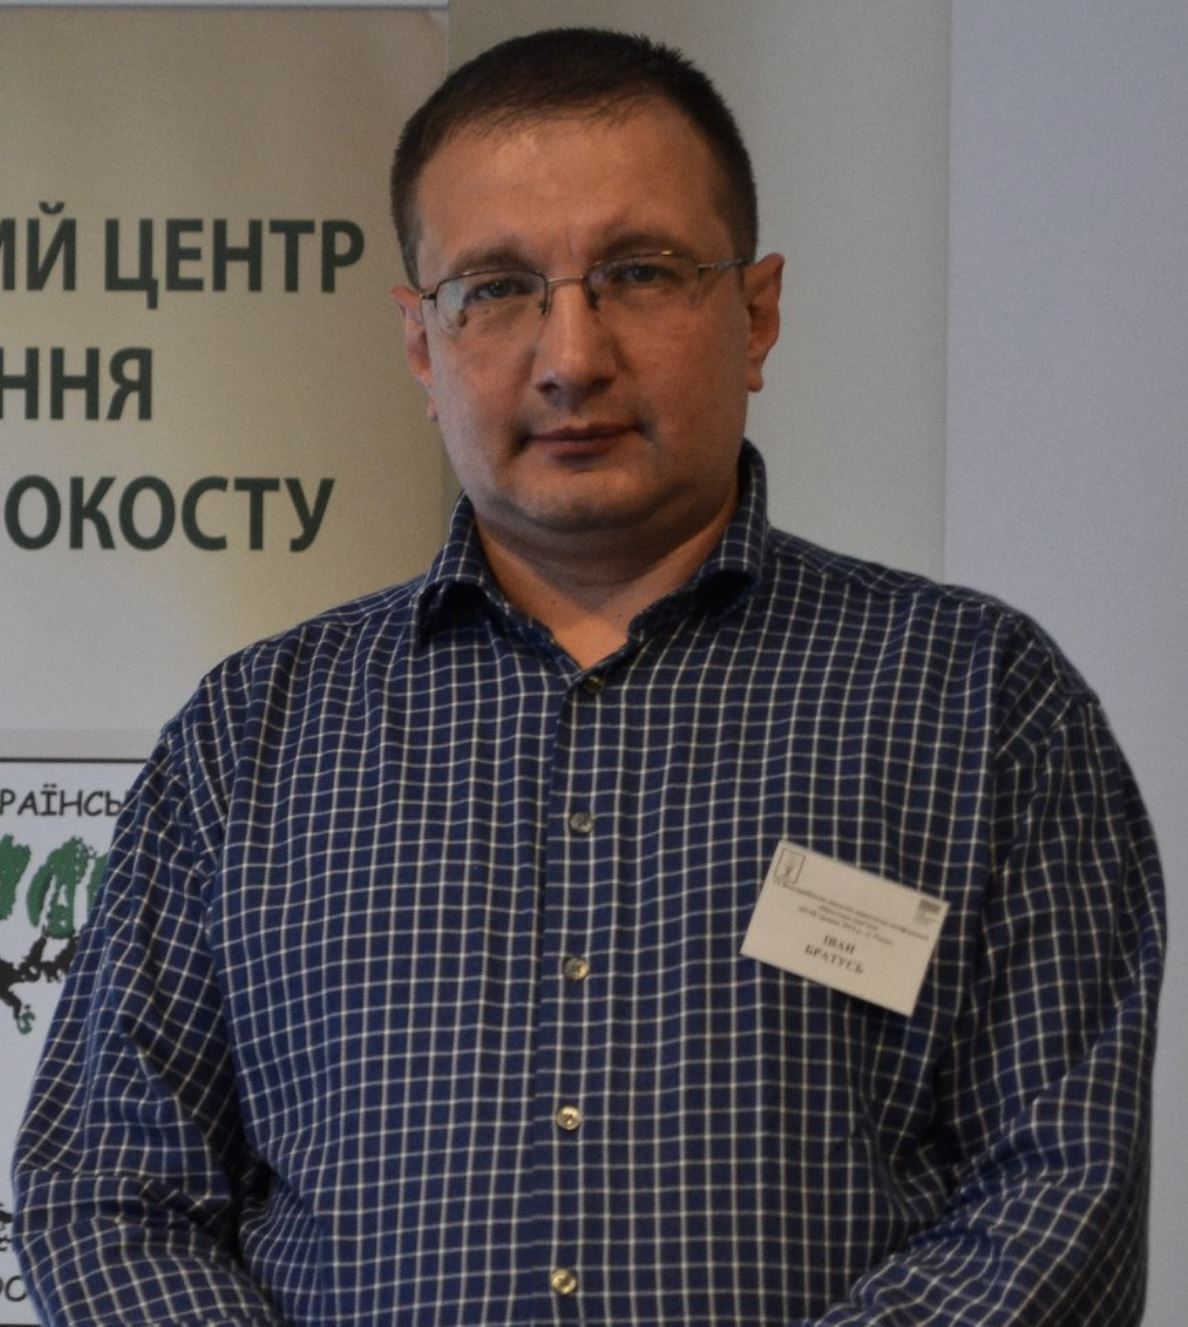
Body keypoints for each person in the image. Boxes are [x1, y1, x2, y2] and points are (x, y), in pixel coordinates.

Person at [12, 27, 1165, 1327]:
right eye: (498, 287)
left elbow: (1060, 1194)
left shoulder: (983, 704)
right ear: (421, 343)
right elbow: (106, 1195)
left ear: (757, 313)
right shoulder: (249, 739)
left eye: (640, 272)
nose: (571, 355)